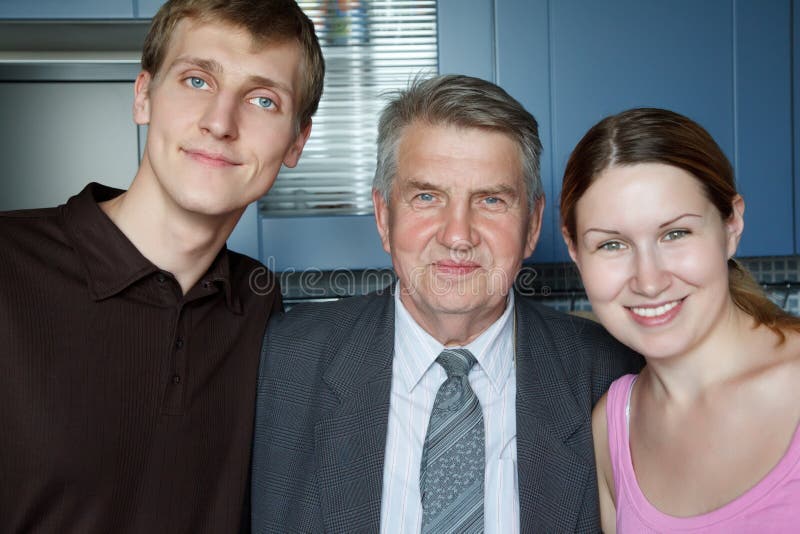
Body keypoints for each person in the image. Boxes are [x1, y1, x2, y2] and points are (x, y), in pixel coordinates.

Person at [251, 74, 642, 533]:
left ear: (533, 224)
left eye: (491, 200)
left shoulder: (610, 373)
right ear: (383, 216)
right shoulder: (285, 359)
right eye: (426, 197)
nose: (458, 235)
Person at [0, 1, 323, 532]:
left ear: (296, 142)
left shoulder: (261, 306)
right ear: (143, 95)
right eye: (197, 81)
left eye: (263, 99)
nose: (220, 123)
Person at [560, 107, 800, 533]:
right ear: (575, 250)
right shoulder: (614, 426)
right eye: (612, 245)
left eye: (675, 234)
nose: (649, 282)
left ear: (731, 224)